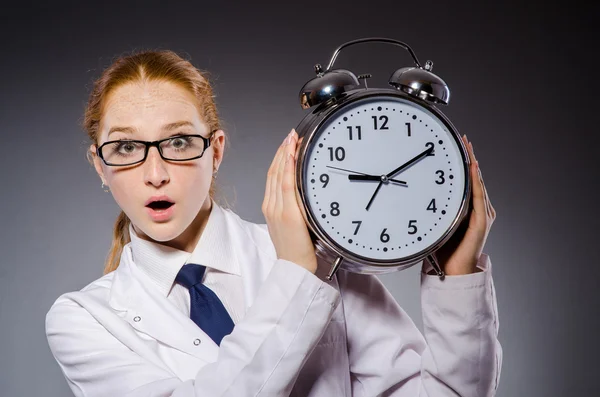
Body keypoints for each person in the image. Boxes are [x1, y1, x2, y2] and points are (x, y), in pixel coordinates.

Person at [45, 49, 502, 396]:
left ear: (216, 151)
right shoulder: (85, 321)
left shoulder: (329, 259)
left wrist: (456, 279)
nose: (155, 172)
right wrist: (300, 278)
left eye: (179, 141)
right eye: (126, 148)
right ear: (100, 166)